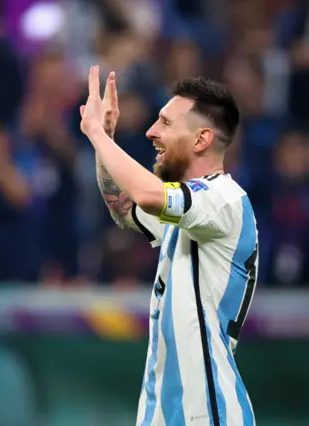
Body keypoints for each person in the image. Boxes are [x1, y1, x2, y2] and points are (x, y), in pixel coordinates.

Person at [79, 67, 258, 425]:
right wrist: (108, 143)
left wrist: (98, 135)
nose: (151, 132)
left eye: (165, 123)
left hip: (210, 412)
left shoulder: (224, 201)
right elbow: (125, 208)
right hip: (164, 412)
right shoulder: (187, 207)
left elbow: (145, 194)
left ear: (201, 139)